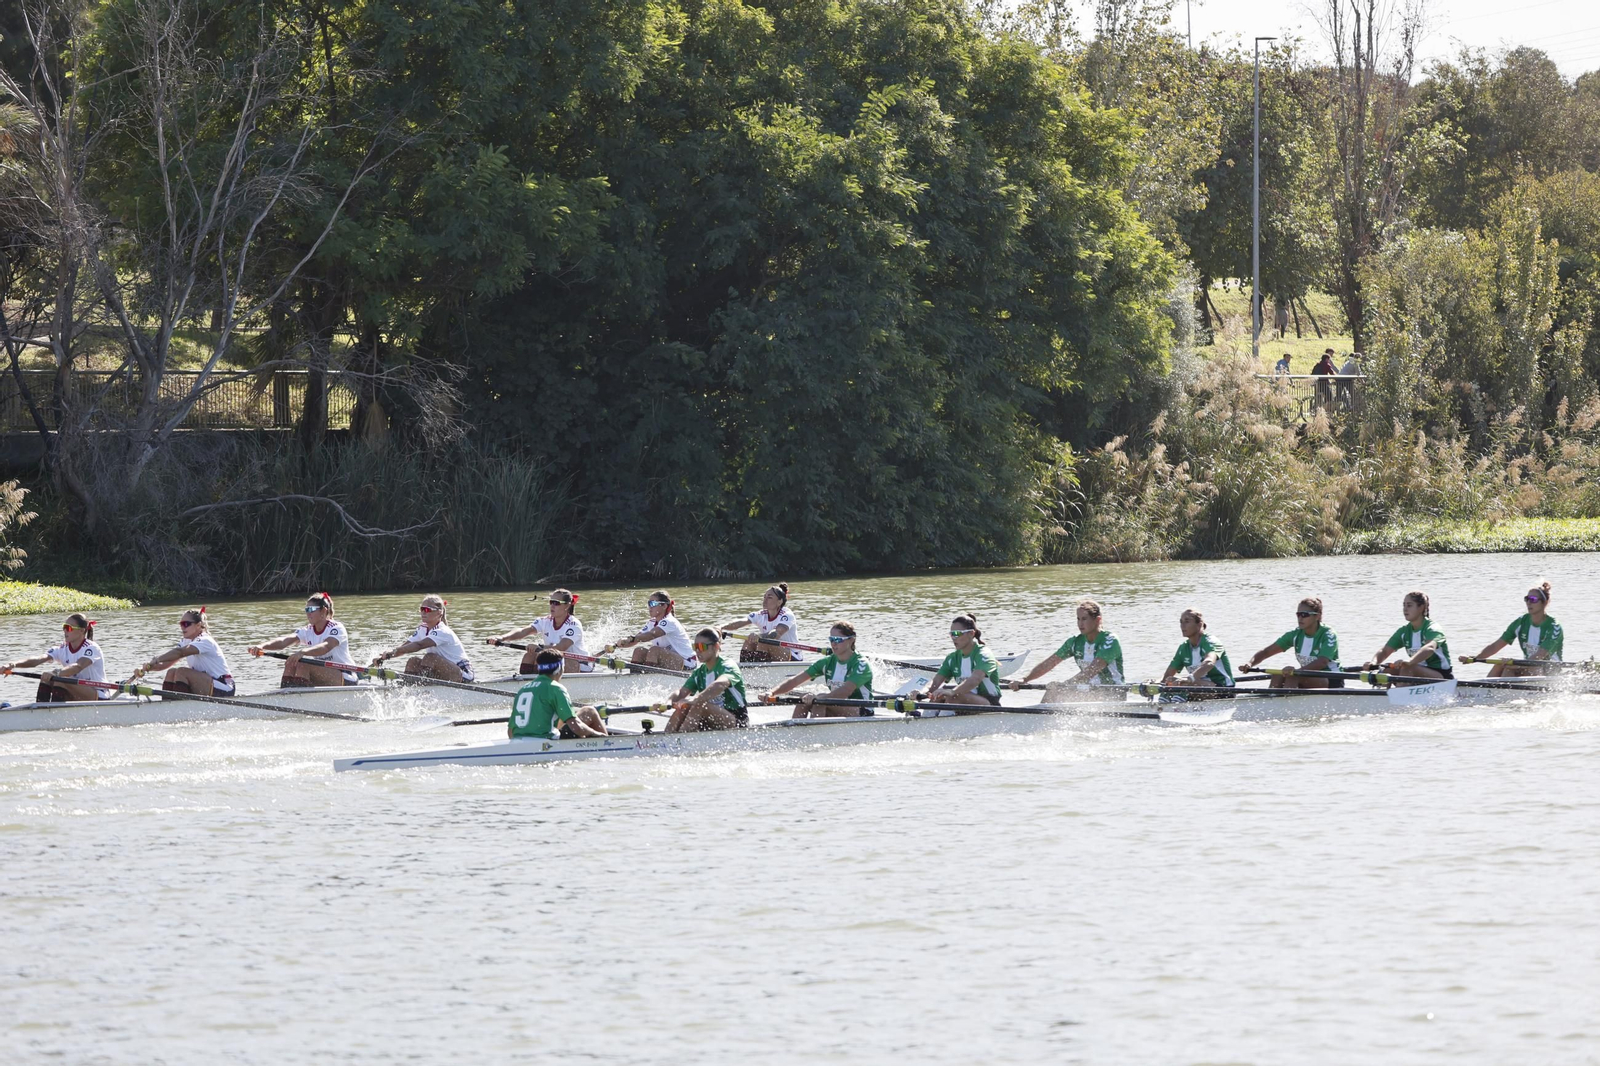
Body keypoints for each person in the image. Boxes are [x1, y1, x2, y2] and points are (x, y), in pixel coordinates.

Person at [1007, 600, 1124, 701]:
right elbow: (1049, 663)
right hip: (1090, 691)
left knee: (1056, 690)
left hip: (1113, 693)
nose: (1080, 624)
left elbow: (1091, 671)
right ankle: (1041, 718)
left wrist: (1065, 686)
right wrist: (1024, 679)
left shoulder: (1110, 640)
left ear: (1097, 620)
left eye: (1084, 619)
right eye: (1078, 619)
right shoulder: (1075, 642)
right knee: (1053, 690)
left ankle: (1042, 717)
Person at [762, 621, 874, 718]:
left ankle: (815, 733)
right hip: (838, 705)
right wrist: (771, 692)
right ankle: (795, 731)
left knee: (819, 701)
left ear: (851, 640)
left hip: (862, 709)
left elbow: (846, 691)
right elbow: (795, 680)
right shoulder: (827, 662)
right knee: (803, 700)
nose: (833, 643)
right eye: (831, 639)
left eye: (838, 640)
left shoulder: (861, 664)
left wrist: (820, 697)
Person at [247, 592, 358, 687]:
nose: (308, 613)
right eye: (306, 610)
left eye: (311, 609)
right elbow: (284, 641)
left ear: (323, 611)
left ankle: (298, 697)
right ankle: (286, 694)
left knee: (303, 664)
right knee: (291, 663)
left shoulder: (336, 628)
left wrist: (302, 652)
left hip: (346, 675)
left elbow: (326, 646)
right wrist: (262, 646)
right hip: (325, 673)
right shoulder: (308, 630)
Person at [1, 613, 113, 702]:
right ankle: (41, 710)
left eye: (68, 628)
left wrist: (57, 673)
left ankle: (54, 713)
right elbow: (38, 660)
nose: (65, 631)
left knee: (60, 680)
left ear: (81, 630)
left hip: (98, 694)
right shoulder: (62, 648)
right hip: (77, 691)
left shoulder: (92, 648)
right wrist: (12, 664)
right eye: (64, 627)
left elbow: (78, 666)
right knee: (46, 679)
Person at [1463, 582, 1562, 677]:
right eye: (1527, 599)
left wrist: (1516, 664)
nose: (1528, 603)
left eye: (1533, 599)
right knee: (1501, 665)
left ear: (1544, 602)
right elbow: (1496, 646)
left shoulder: (1554, 627)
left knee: (1526, 667)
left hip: (1549, 670)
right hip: (1529, 665)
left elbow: (1540, 655)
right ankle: (1487, 687)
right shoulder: (1521, 622)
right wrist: (1475, 659)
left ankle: (1504, 687)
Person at [133, 607, 236, 696]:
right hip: (207, 683)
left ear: (198, 625)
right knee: (171, 672)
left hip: (224, 687)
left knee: (182, 672)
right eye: (181, 624)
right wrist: (146, 668)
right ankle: (168, 704)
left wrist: (157, 659)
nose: (182, 627)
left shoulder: (205, 640)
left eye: (186, 624)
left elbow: (180, 652)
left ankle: (180, 706)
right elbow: (165, 664)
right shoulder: (186, 641)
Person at [508, 649, 608, 740]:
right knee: (589, 711)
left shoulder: (523, 689)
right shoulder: (556, 688)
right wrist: (596, 734)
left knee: (562, 716)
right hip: (547, 743)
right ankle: (608, 743)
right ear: (559, 668)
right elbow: (576, 727)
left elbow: (510, 732)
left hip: (519, 742)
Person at [1242, 597, 1342, 689]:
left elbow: (1322, 662)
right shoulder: (1295, 635)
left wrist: (1297, 671)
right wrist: (1250, 663)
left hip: (1331, 679)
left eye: (1304, 615)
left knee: (1293, 676)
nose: (1300, 618)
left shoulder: (1328, 634)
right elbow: (1266, 652)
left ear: (1317, 616)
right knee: (1277, 675)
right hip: (1307, 675)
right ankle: (1272, 699)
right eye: (1298, 614)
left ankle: (1286, 701)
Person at [371, 595, 475, 682]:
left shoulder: (443, 631)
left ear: (439, 612)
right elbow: (404, 648)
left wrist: (393, 652)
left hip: (463, 674)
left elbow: (419, 645)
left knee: (430, 658)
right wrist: (384, 657)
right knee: (413, 661)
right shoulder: (422, 629)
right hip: (445, 672)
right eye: (422, 609)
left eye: (427, 610)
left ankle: (421, 685)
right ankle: (408, 688)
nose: (423, 612)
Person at [663, 629, 749, 733]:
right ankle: (667, 736)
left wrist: (695, 699)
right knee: (683, 707)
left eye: (701, 647)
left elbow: (720, 684)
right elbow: (681, 692)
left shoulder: (728, 666)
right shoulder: (699, 672)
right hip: (710, 717)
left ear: (716, 646)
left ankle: (683, 737)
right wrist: (668, 702)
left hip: (736, 720)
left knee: (699, 704)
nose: (698, 651)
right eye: (695, 647)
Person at [489, 588, 591, 674]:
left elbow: (561, 647)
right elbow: (523, 631)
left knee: (559, 659)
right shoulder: (545, 621)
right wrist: (502, 638)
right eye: (551, 602)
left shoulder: (573, 624)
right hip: (558, 660)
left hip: (580, 664)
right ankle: (529, 683)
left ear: (567, 606)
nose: (552, 606)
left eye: (556, 603)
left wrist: (540, 648)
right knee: (530, 655)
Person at [921, 613, 1004, 708]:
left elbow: (975, 679)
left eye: (957, 633)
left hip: (989, 703)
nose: (953, 638)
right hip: (964, 699)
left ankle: (944, 716)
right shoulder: (952, 658)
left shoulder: (984, 654)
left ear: (971, 633)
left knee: (954, 696)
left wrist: (952, 691)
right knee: (937, 696)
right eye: (951, 634)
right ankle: (928, 716)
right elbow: (935, 683)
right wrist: (922, 692)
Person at [1364, 590, 1451, 680]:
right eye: (1404, 605)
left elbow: (1430, 648)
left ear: (1421, 608)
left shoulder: (1432, 628)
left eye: (1409, 605)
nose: (1405, 609)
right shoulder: (1404, 631)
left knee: (1408, 668)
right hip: (1418, 672)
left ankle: (1401, 688)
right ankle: (1391, 688)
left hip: (1442, 675)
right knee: (1387, 670)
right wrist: (1373, 662)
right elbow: (1385, 651)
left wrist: (1410, 661)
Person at [603, 590, 695, 671]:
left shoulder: (669, 621)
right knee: (638, 651)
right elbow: (636, 639)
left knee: (654, 651)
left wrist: (631, 638)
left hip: (686, 663)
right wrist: (615, 645)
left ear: (664, 606)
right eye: (649, 604)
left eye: (653, 604)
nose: (650, 607)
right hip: (670, 660)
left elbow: (651, 635)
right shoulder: (652, 622)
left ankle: (648, 679)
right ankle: (635, 678)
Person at [719, 583, 802, 662]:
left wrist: (758, 636)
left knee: (764, 642)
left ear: (779, 602)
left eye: (769, 597)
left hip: (793, 656)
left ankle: (760, 668)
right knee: (748, 641)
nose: (765, 600)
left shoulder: (787, 615)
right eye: (764, 597)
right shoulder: (761, 614)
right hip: (773, 652)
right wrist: (720, 627)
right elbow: (741, 622)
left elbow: (776, 634)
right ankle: (746, 668)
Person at [1161, 609, 1235, 688]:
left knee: (1182, 683)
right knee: (1170, 680)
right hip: (1200, 685)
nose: (1182, 626)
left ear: (1199, 625)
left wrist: (1190, 679)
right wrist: (1156, 683)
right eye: (1181, 622)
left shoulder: (1211, 642)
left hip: (1222, 687)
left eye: (1187, 621)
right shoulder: (1183, 648)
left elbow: (1209, 663)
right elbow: (1167, 676)